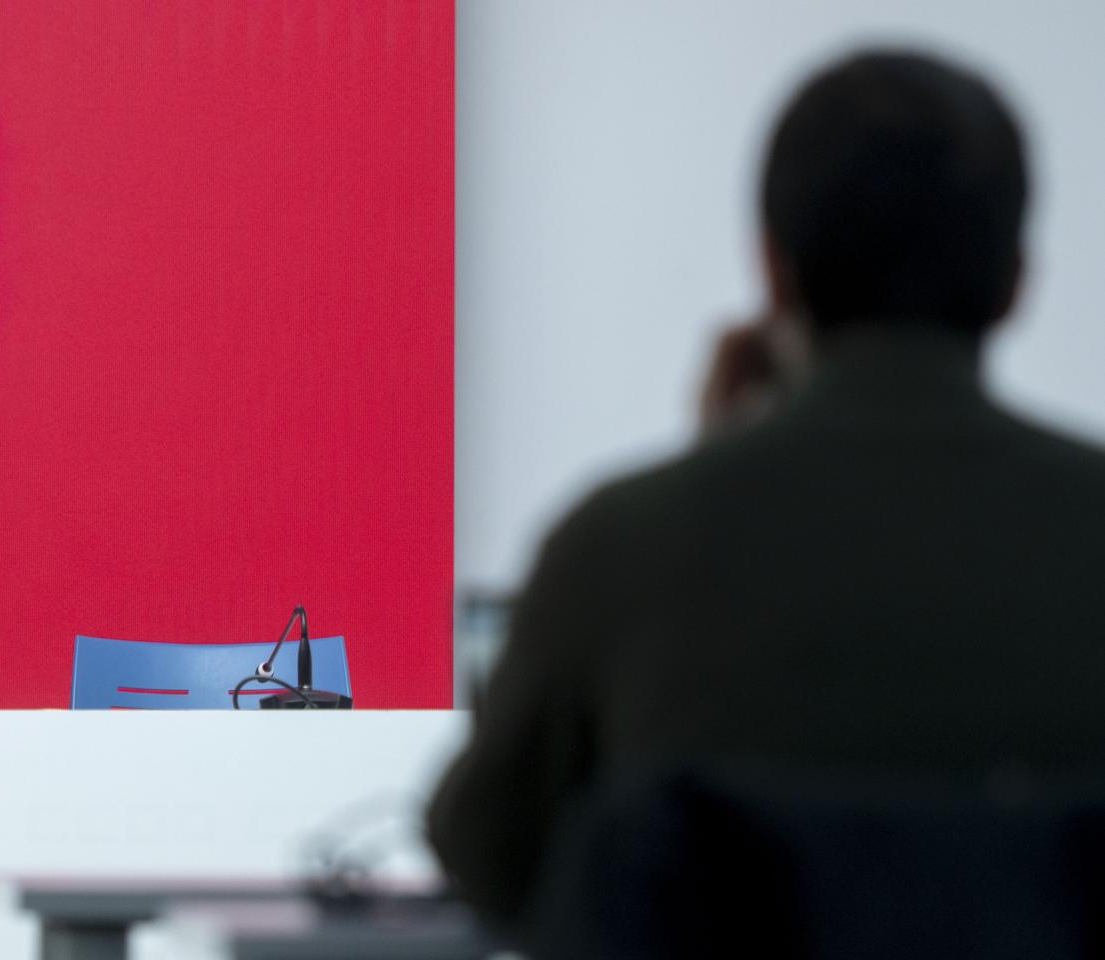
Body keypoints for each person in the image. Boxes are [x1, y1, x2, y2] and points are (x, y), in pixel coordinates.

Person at [427, 49, 1105, 925]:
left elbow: (491, 865)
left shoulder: (622, 549)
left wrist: (710, 462)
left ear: (774, 272)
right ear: (1017, 282)